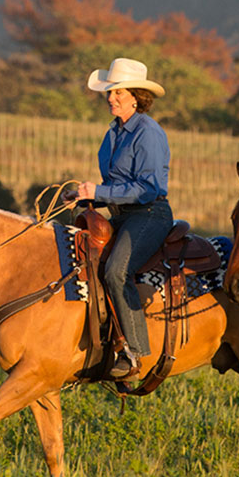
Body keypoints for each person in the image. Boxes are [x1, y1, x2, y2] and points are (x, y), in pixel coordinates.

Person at [66, 58, 172, 378]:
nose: (110, 97)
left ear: (135, 96)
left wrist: (100, 191)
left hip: (149, 214)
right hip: (121, 214)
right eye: (110, 92)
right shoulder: (113, 132)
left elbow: (148, 188)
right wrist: (87, 197)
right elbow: (114, 187)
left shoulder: (148, 133)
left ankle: (135, 353)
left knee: (115, 272)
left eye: (118, 92)